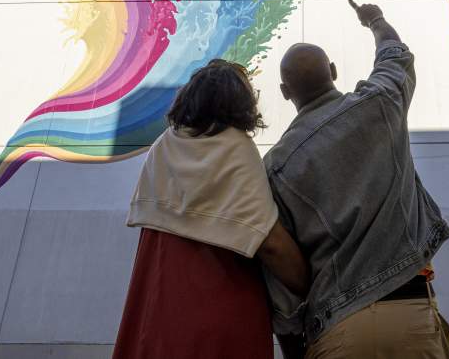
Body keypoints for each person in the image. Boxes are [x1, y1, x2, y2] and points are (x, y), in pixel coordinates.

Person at [263, 0, 449, 359]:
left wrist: (293, 349)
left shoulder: (275, 167)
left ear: (285, 92)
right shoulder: (381, 103)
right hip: (410, 313)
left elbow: (281, 274)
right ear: (334, 71)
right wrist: (375, 20)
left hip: (337, 327)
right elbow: (395, 55)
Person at [113, 59, 309, 359]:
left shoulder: (163, 147)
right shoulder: (234, 147)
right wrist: (313, 285)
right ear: (240, 102)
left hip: (156, 313)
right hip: (219, 317)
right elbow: (271, 244)